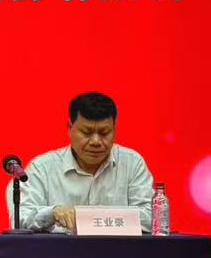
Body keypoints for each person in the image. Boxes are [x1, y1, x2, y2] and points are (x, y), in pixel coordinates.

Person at [17, 91, 155, 232]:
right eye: (86, 132)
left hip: (118, 246)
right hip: (61, 246)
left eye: (104, 133)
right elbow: (20, 220)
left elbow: (153, 217)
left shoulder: (132, 163)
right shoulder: (42, 168)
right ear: (70, 128)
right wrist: (53, 214)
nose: (96, 141)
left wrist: (92, 217)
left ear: (114, 129)